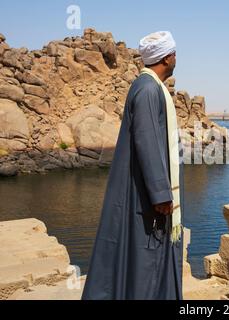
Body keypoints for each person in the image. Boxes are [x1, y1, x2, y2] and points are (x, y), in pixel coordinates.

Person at [81, 31, 184, 300]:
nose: (176, 58)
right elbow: (147, 141)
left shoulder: (145, 86)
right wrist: (161, 194)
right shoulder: (149, 90)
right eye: (174, 53)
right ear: (166, 57)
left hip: (143, 192)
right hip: (149, 199)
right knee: (145, 261)